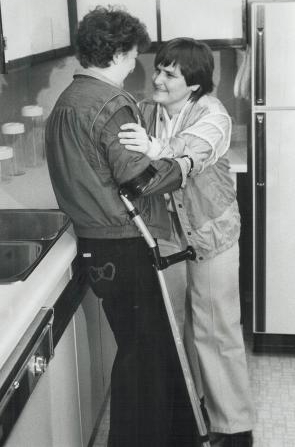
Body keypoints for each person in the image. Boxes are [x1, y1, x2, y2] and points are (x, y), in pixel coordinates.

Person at [45, 8, 198, 447]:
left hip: (98, 243)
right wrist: (181, 165)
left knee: (142, 348)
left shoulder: (67, 102)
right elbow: (141, 179)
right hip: (126, 244)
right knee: (143, 357)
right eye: (133, 55)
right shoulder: (111, 104)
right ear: (117, 53)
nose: (136, 65)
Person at [118, 37, 254, 447]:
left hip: (211, 233)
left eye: (168, 74)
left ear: (192, 84)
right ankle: (196, 415)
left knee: (217, 329)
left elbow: (191, 154)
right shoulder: (149, 112)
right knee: (180, 330)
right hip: (169, 235)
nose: (157, 78)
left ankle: (235, 429)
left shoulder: (212, 114)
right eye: (158, 69)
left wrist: (154, 147)